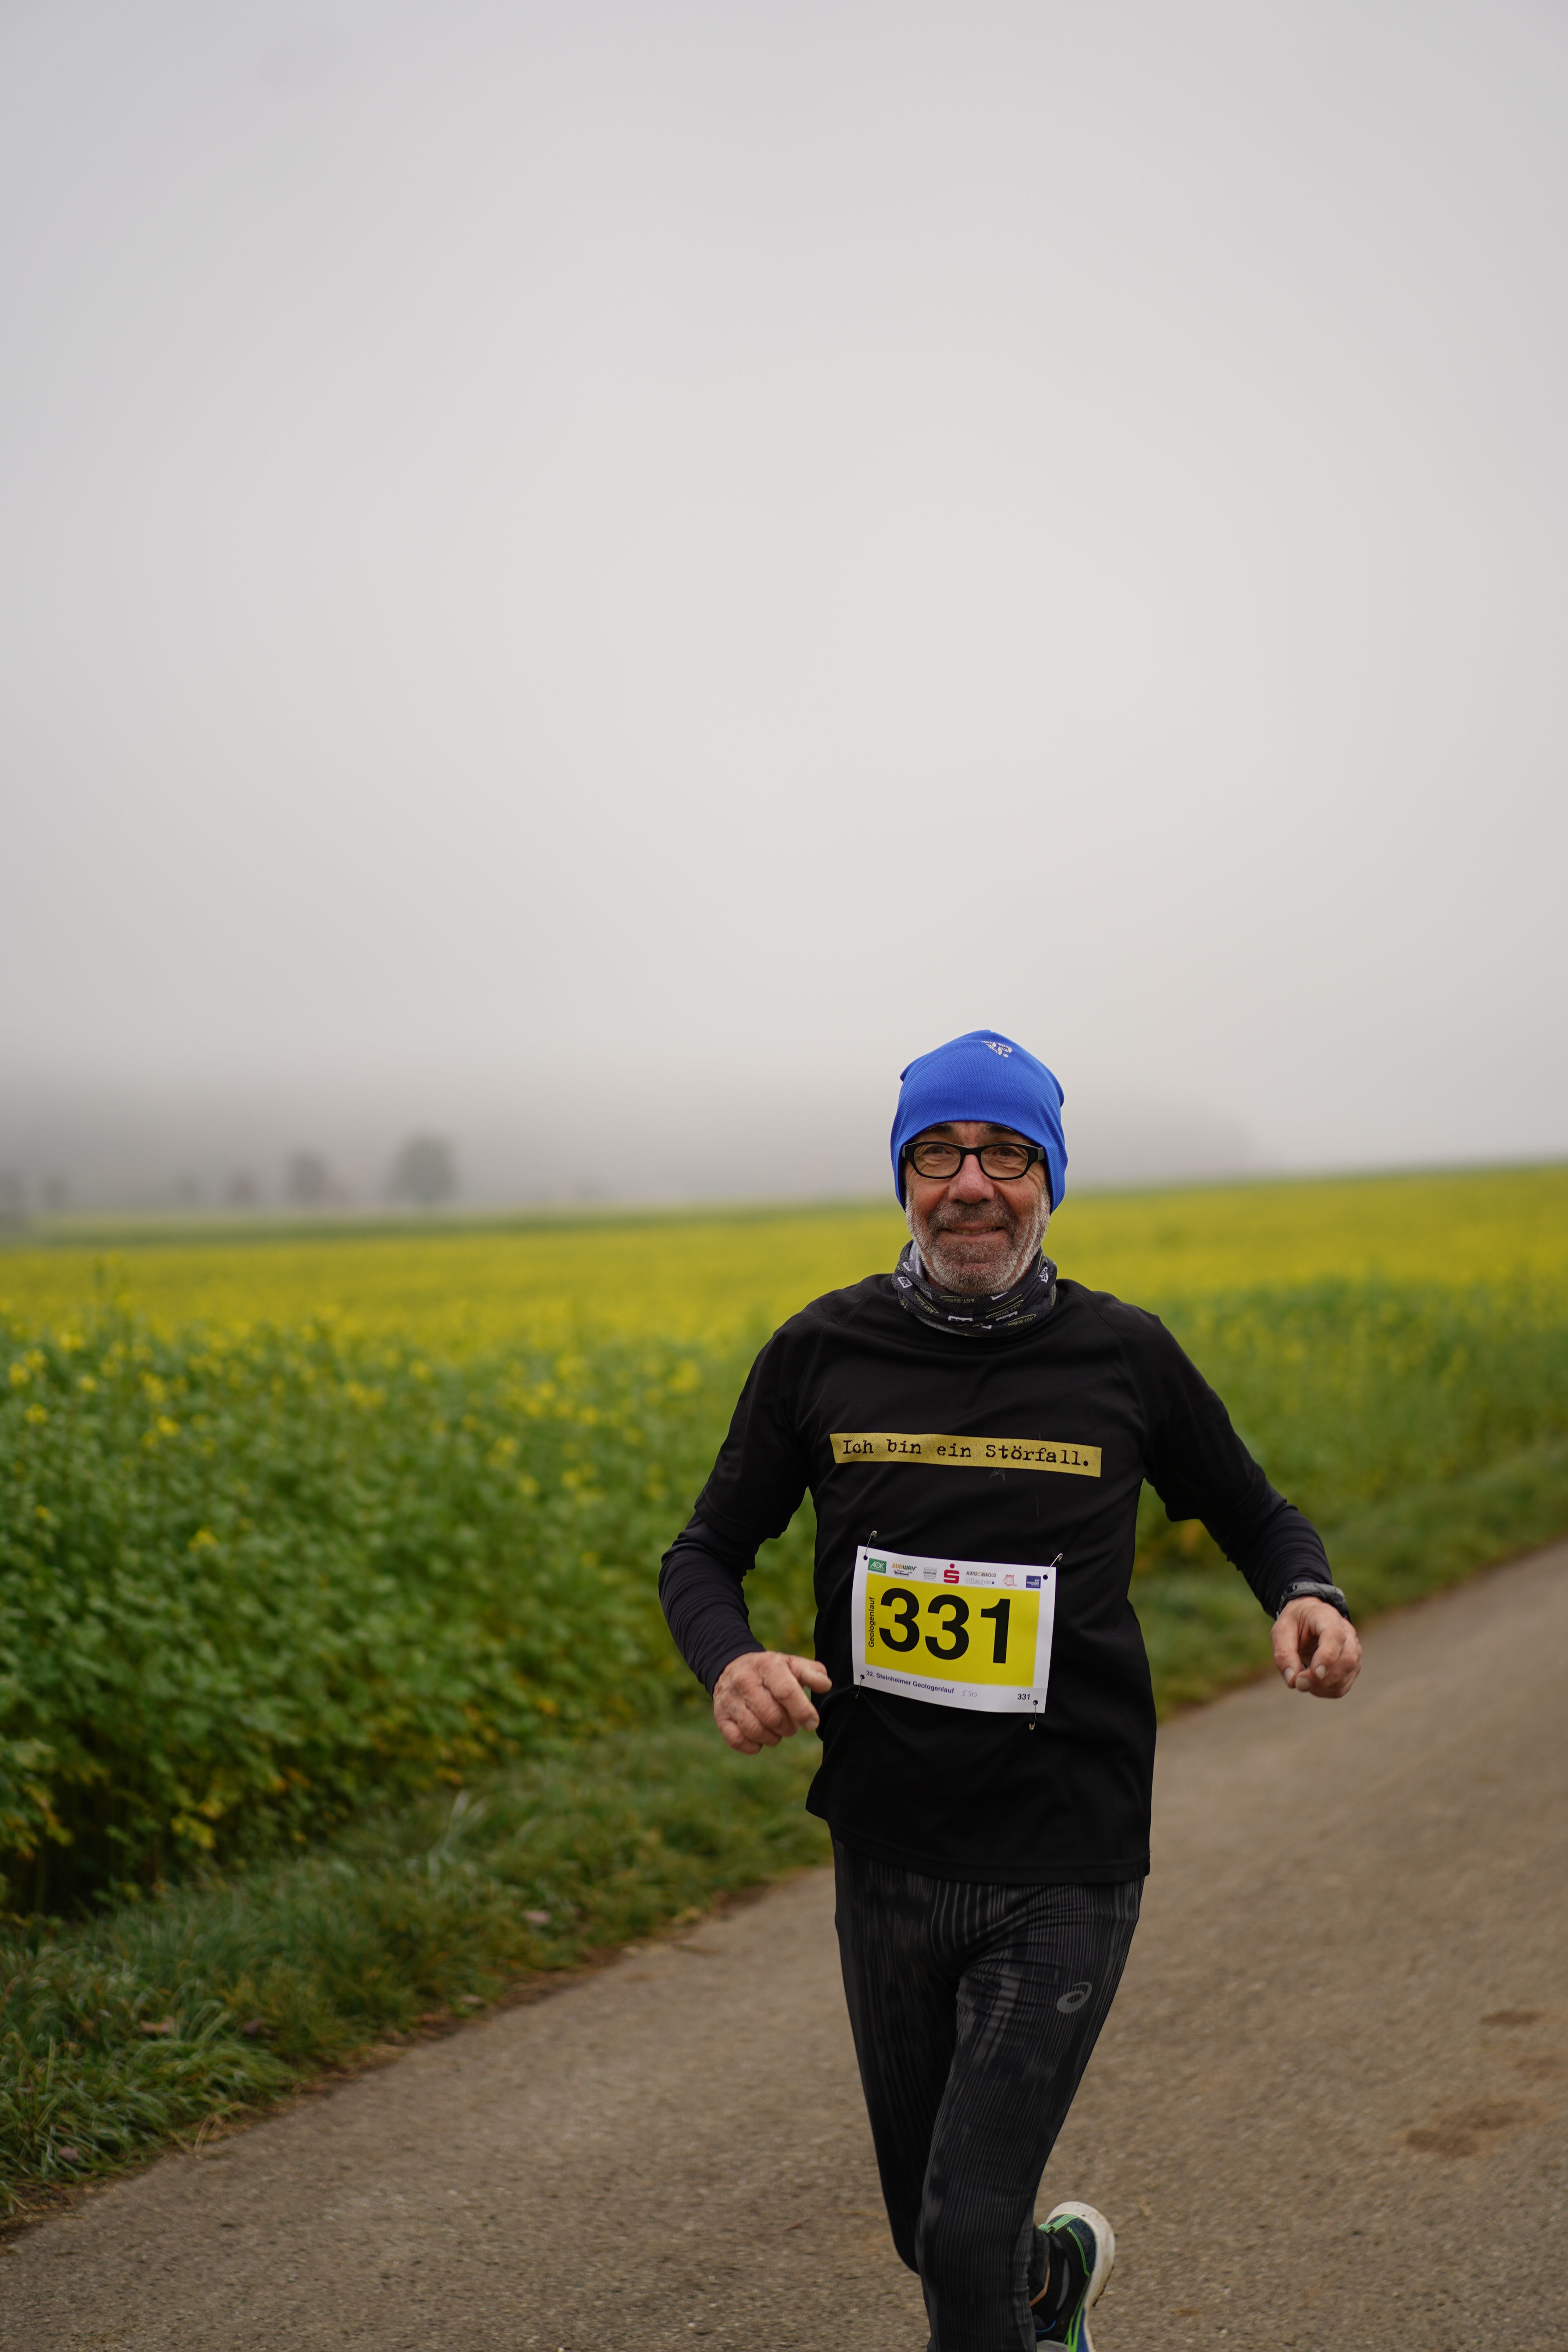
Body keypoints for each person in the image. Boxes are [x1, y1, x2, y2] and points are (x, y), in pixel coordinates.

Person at [659, 1030, 1361, 2352]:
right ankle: (1051, 2286)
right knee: (931, 2231)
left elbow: (1257, 1515)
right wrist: (731, 1658)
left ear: (1049, 1180)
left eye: (1005, 1155)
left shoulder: (1124, 1356)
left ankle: (1010, 2290)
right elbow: (703, 1553)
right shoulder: (819, 1351)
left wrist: (1306, 1593)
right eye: (938, 1154)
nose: (970, 1183)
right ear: (904, 1180)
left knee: (963, 2235)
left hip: (1065, 1847)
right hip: (887, 1843)